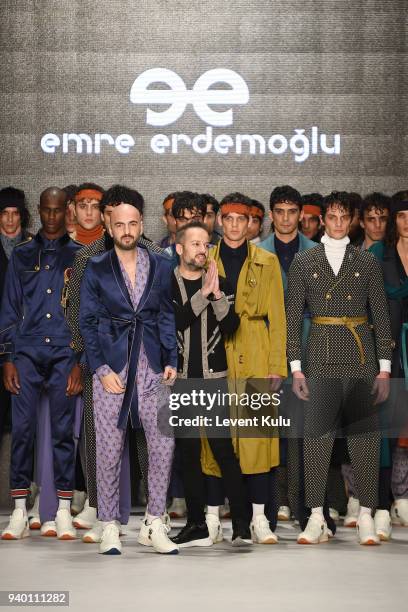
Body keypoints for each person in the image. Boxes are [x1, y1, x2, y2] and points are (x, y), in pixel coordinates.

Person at [286, 191, 393, 545]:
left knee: (364, 438)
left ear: (352, 221)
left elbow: (381, 315)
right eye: (330, 217)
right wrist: (296, 368)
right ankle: (316, 516)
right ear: (320, 220)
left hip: (360, 354)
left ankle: (365, 514)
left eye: (343, 217)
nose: (336, 223)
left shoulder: (367, 262)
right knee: (317, 439)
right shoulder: (304, 261)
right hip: (319, 351)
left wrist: (385, 369)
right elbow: (291, 318)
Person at [79, 186, 178, 555]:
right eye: (119, 223)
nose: (126, 230)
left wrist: (171, 360)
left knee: (163, 445)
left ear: (141, 222)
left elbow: (166, 315)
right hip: (113, 369)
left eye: (132, 223)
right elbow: (86, 323)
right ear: (108, 223)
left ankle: (154, 522)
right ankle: (108, 525)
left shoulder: (161, 264)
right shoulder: (96, 267)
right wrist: (100, 367)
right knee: (108, 448)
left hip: (152, 365)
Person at [0, 187, 83, 540]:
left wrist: (80, 360)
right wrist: (7, 357)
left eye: (57, 210)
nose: (51, 217)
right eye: (46, 211)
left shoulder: (81, 256)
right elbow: (8, 307)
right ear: (39, 210)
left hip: (65, 351)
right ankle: (19, 510)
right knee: (22, 432)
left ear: (67, 211)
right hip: (28, 352)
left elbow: (84, 312)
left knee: (63, 433)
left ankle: (62, 510)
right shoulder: (21, 255)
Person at [205, 192, 287, 544]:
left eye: (242, 219)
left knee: (256, 436)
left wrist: (276, 365)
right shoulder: (205, 257)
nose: (235, 225)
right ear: (220, 221)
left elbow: (279, 318)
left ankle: (258, 519)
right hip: (215, 350)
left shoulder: (267, 261)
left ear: (252, 222)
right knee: (212, 437)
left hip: (255, 346)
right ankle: (212, 519)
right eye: (229, 218)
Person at [170, 221, 251, 547]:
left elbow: (231, 326)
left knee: (223, 452)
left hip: (214, 381)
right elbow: (176, 321)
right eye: (195, 244)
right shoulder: (168, 284)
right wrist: (203, 295)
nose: (202, 250)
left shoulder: (220, 282)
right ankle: (195, 523)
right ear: (180, 248)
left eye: (206, 245)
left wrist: (216, 293)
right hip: (182, 382)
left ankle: (242, 526)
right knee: (188, 455)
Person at [259, 185, 327, 528]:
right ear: (271, 215)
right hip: (266, 348)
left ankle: (307, 509)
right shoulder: (256, 251)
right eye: (279, 211)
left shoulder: (319, 251)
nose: (285, 218)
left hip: (309, 346)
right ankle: (268, 511)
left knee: (305, 432)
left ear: (301, 215)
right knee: (267, 431)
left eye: (291, 211)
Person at [369, 192, 408, 534]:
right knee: (385, 429)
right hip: (389, 352)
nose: (407, 221)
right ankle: (381, 505)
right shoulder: (378, 254)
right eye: (401, 215)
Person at [0, 188, 32, 445]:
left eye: (15, 214)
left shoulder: (34, 246)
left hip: (27, 338)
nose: (10, 220)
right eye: (4, 214)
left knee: (27, 419)